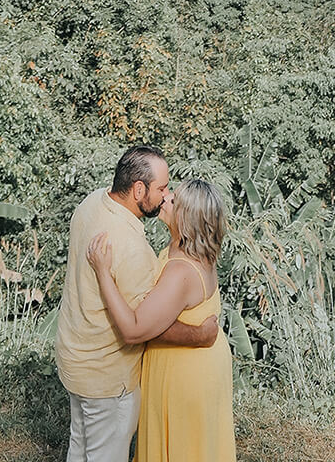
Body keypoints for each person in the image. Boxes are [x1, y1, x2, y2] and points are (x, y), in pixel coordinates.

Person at [56, 146, 220, 462]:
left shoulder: (93, 202)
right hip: (107, 377)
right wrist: (200, 335)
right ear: (139, 189)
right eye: (161, 189)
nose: (166, 195)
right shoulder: (132, 248)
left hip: (74, 358)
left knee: (79, 448)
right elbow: (143, 327)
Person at [87, 177, 234, 462]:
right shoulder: (193, 248)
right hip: (201, 362)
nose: (165, 199)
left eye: (174, 201)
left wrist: (103, 272)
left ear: (189, 219)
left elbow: (134, 330)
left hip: (185, 374)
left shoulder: (181, 271)